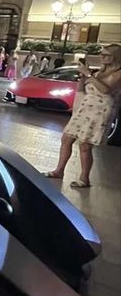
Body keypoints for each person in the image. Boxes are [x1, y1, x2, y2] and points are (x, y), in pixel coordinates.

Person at [46, 44, 121, 189]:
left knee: (85, 144)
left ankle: (84, 178)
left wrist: (88, 74)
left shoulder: (118, 72)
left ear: (116, 57)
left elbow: (105, 90)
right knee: (67, 138)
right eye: (102, 54)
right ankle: (59, 171)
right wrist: (82, 76)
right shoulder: (99, 72)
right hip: (85, 107)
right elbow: (82, 89)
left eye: (106, 55)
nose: (102, 57)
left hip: (100, 110)